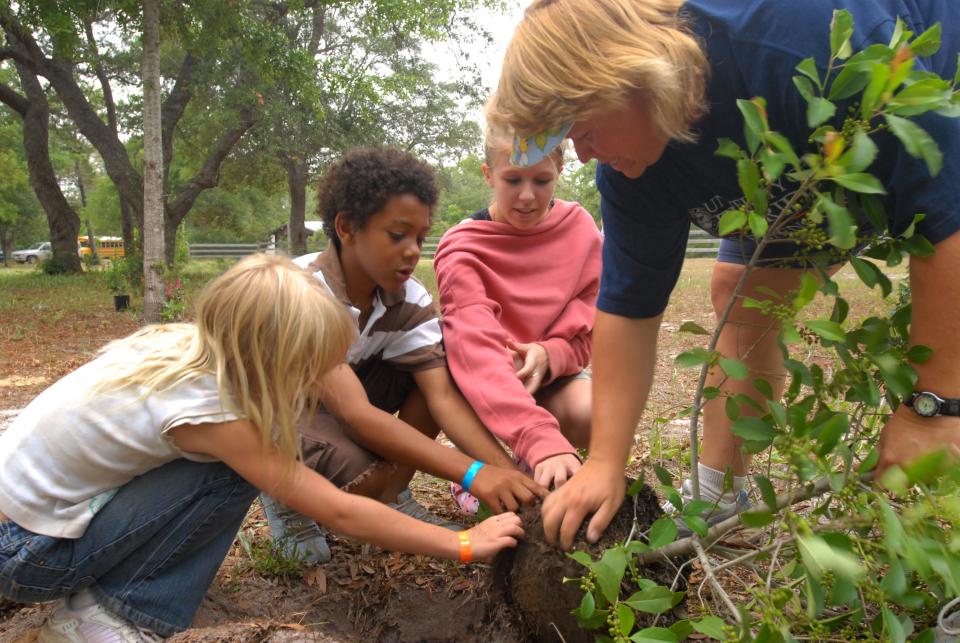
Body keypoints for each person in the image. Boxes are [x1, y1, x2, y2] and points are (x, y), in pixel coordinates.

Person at [487, 0, 960, 549]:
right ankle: (718, 493)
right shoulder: (633, 170)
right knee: (737, 292)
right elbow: (628, 307)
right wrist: (606, 461)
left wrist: (934, 407)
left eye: (584, 132)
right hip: (794, 180)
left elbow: (948, 213)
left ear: (632, 78)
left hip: (930, 94)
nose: (586, 156)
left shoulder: (790, 40)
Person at [0, 254, 526, 641]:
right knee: (235, 471)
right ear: (272, 359)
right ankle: (111, 615)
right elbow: (338, 510)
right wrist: (460, 543)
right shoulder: (213, 412)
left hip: (21, 528)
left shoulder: (187, 348)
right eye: (311, 367)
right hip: (31, 556)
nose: (318, 379)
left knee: (234, 461)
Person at [262, 147, 545, 563]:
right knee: (365, 479)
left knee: (448, 372)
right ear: (346, 227)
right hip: (281, 411)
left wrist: (505, 472)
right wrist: (472, 474)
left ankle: (393, 495)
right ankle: (285, 495)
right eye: (397, 235)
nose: (413, 250)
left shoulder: (408, 300)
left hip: (342, 402)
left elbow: (443, 399)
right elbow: (356, 414)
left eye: (420, 237)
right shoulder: (304, 291)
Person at [433, 120, 602, 492]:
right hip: (487, 382)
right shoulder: (463, 247)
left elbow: (590, 327)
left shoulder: (580, 230)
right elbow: (476, 353)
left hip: (554, 377)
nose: (527, 196)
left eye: (541, 181)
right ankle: (496, 468)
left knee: (598, 413)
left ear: (559, 171)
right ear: (489, 175)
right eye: (512, 180)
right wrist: (537, 436)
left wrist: (550, 353)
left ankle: (548, 458)